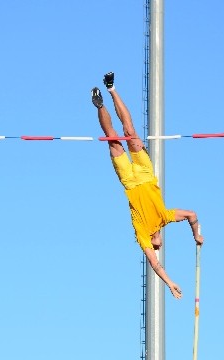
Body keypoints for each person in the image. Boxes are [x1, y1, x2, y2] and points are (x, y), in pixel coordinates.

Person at [91, 72, 203, 299]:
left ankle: (99, 104)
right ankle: (112, 88)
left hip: (130, 182)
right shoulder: (165, 216)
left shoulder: (142, 235)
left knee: (112, 137)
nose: (158, 248)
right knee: (130, 132)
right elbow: (192, 215)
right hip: (145, 173)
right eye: (159, 247)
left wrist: (170, 283)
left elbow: (155, 265)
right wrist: (196, 235)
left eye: (157, 249)